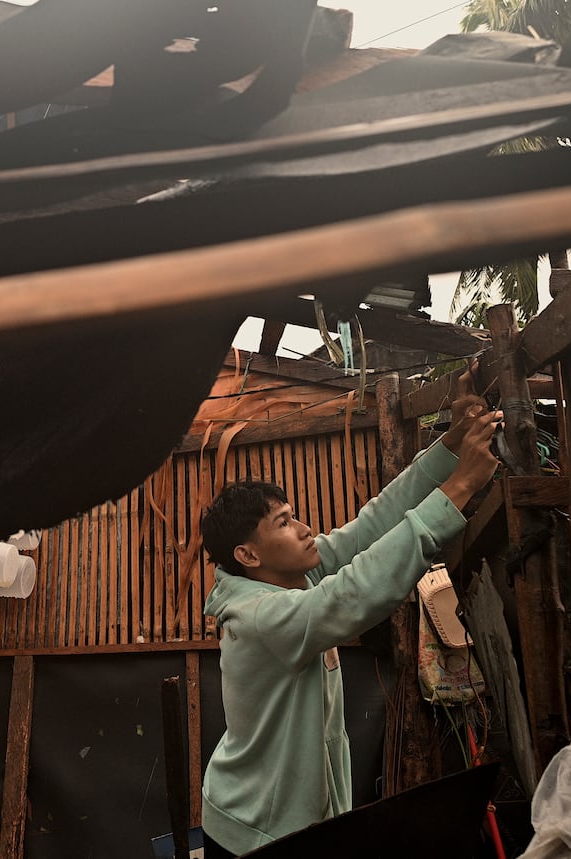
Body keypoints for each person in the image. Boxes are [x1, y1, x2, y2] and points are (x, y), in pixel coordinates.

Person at [198, 362, 502, 857]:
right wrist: (461, 489)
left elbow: (374, 524)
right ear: (248, 555)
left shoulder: (291, 576)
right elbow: (354, 594)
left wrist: (451, 446)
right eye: (283, 523)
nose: (302, 530)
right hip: (254, 833)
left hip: (301, 820)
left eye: (293, 515)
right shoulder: (260, 619)